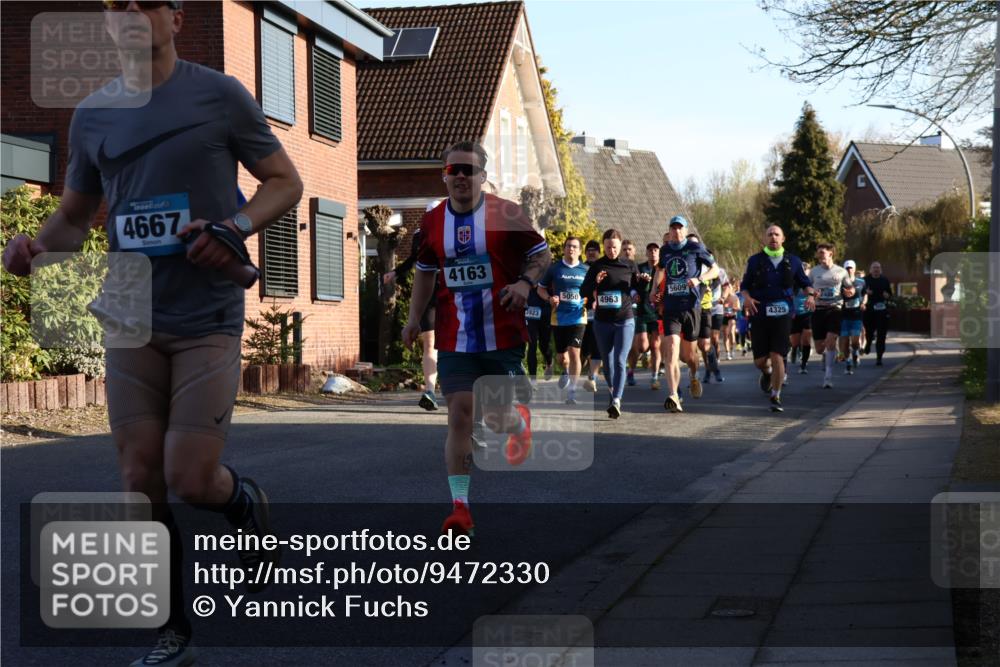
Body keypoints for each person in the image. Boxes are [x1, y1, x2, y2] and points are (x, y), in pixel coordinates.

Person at [2, 2, 304, 664]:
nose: (131, 13)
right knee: (140, 475)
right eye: (117, 6)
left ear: (174, 19)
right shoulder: (92, 115)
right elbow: (75, 219)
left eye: (146, 2)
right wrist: (32, 249)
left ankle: (242, 500)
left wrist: (234, 227)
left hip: (207, 312)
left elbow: (285, 182)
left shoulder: (219, 95)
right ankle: (172, 633)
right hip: (131, 310)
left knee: (190, 477)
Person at [402, 141, 550, 537]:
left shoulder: (506, 213)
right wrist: (414, 319)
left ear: (483, 176)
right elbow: (425, 273)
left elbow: (541, 254)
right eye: (455, 170)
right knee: (459, 416)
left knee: (494, 417)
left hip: (502, 333)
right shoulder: (432, 222)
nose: (462, 177)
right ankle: (460, 507)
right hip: (455, 336)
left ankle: (517, 422)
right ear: (445, 176)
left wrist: (524, 283)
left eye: (470, 170)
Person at [739, 225, 814, 412]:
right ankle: (767, 372)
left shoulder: (793, 261)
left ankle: (776, 395)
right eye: (769, 234)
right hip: (759, 313)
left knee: (778, 354)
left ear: (783, 238)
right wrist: (747, 298)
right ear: (764, 239)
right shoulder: (755, 261)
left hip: (783, 313)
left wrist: (811, 295)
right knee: (760, 361)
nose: (773, 237)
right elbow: (745, 286)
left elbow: (805, 284)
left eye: (776, 234)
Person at [652, 216, 718, 412]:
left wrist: (699, 279)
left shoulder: (695, 248)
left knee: (689, 356)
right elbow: (660, 271)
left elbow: (714, 270)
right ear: (670, 231)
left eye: (680, 228)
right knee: (671, 349)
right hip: (671, 307)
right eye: (673, 228)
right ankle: (673, 394)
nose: (676, 231)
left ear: (685, 230)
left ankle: (694, 374)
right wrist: (654, 288)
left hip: (691, 306)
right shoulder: (665, 251)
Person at [580, 229, 641, 418]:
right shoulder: (597, 266)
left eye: (614, 247)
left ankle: (616, 400)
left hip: (625, 319)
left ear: (620, 246)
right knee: (607, 363)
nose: (611, 250)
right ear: (603, 247)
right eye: (607, 247)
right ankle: (613, 390)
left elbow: (639, 290)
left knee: (620, 360)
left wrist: (643, 283)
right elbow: (584, 291)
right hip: (602, 322)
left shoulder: (630, 265)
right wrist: (595, 283)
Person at [384, 225, 439, 410]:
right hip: (431, 293)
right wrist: (396, 272)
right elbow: (416, 259)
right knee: (429, 343)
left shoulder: (462, 228)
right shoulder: (420, 234)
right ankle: (430, 391)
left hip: (457, 291)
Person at [538, 236, 588, 404]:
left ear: (580, 251)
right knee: (562, 357)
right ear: (565, 248)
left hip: (579, 316)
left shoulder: (586, 270)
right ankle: (565, 370)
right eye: (568, 246)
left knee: (575, 352)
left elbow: (592, 291)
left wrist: (590, 298)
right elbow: (541, 289)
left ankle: (572, 392)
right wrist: (549, 299)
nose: (571, 249)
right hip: (558, 318)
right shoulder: (554, 269)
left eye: (574, 246)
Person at [809, 244, 852, 389]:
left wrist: (850, 292)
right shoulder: (814, 272)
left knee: (831, 341)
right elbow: (806, 289)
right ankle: (825, 356)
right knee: (820, 348)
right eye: (818, 253)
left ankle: (828, 376)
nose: (820, 255)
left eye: (822, 252)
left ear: (830, 254)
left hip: (835, 309)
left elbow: (849, 287)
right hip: (818, 310)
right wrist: (811, 294)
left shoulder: (841, 271)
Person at [628, 242, 662, 389]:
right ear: (646, 253)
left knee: (655, 345)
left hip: (657, 312)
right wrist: (635, 294)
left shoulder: (663, 268)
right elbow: (631, 286)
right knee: (641, 346)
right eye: (650, 250)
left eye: (655, 250)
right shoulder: (640, 268)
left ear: (659, 253)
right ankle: (631, 371)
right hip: (642, 310)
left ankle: (654, 378)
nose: (653, 253)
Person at [580, 240, 603, 391]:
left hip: (600, 313)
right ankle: (572, 373)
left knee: (597, 348)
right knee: (582, 349)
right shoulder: (580, 267)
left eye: (594, 249)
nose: (591, 252)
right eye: (589, 249)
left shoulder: (603, 267)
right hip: (581, 313)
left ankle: (592, 378)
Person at [838, 260, 867, 374]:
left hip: (857, 315)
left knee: (855, 341)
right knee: (845, 342)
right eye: (847, 268)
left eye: (851, 268)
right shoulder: (840, 283)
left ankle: (855, 352)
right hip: (844, 316)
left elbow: (865, 294)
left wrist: (864, 303)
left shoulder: (861, 282)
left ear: (854, 269)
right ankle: (848, 364)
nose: (849, 270)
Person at [863, 261, 892, 366]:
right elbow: (861, 293)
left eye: (878, 268)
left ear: (881, 269)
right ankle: (868, 343)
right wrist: (866, 293)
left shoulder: (884, 280)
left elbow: (889, 294)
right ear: (870, 270)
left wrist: (887, 295)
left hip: (882, 310)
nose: (876, 269)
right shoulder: (865, 280)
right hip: (869, 310)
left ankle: (879, 357)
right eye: (874, 268)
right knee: (869, 332)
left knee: (881, 335)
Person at [524, 286, 553, 384]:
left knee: (544, 345)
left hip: (545, 311)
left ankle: (549, 362)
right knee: (532, 345)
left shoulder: (547, 271)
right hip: (530, 310)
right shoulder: (525, 272)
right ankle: (533, 379)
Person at [789, 261, 814, 373]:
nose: (804, 272)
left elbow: (816, 295)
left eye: (806, 270)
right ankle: (794, 349)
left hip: (808, 313)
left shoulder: (812, 282)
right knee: (795, 342)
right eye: (802, 269)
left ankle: (803, 365)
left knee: (806, 341)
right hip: (794, 315)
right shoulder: (792, 282)